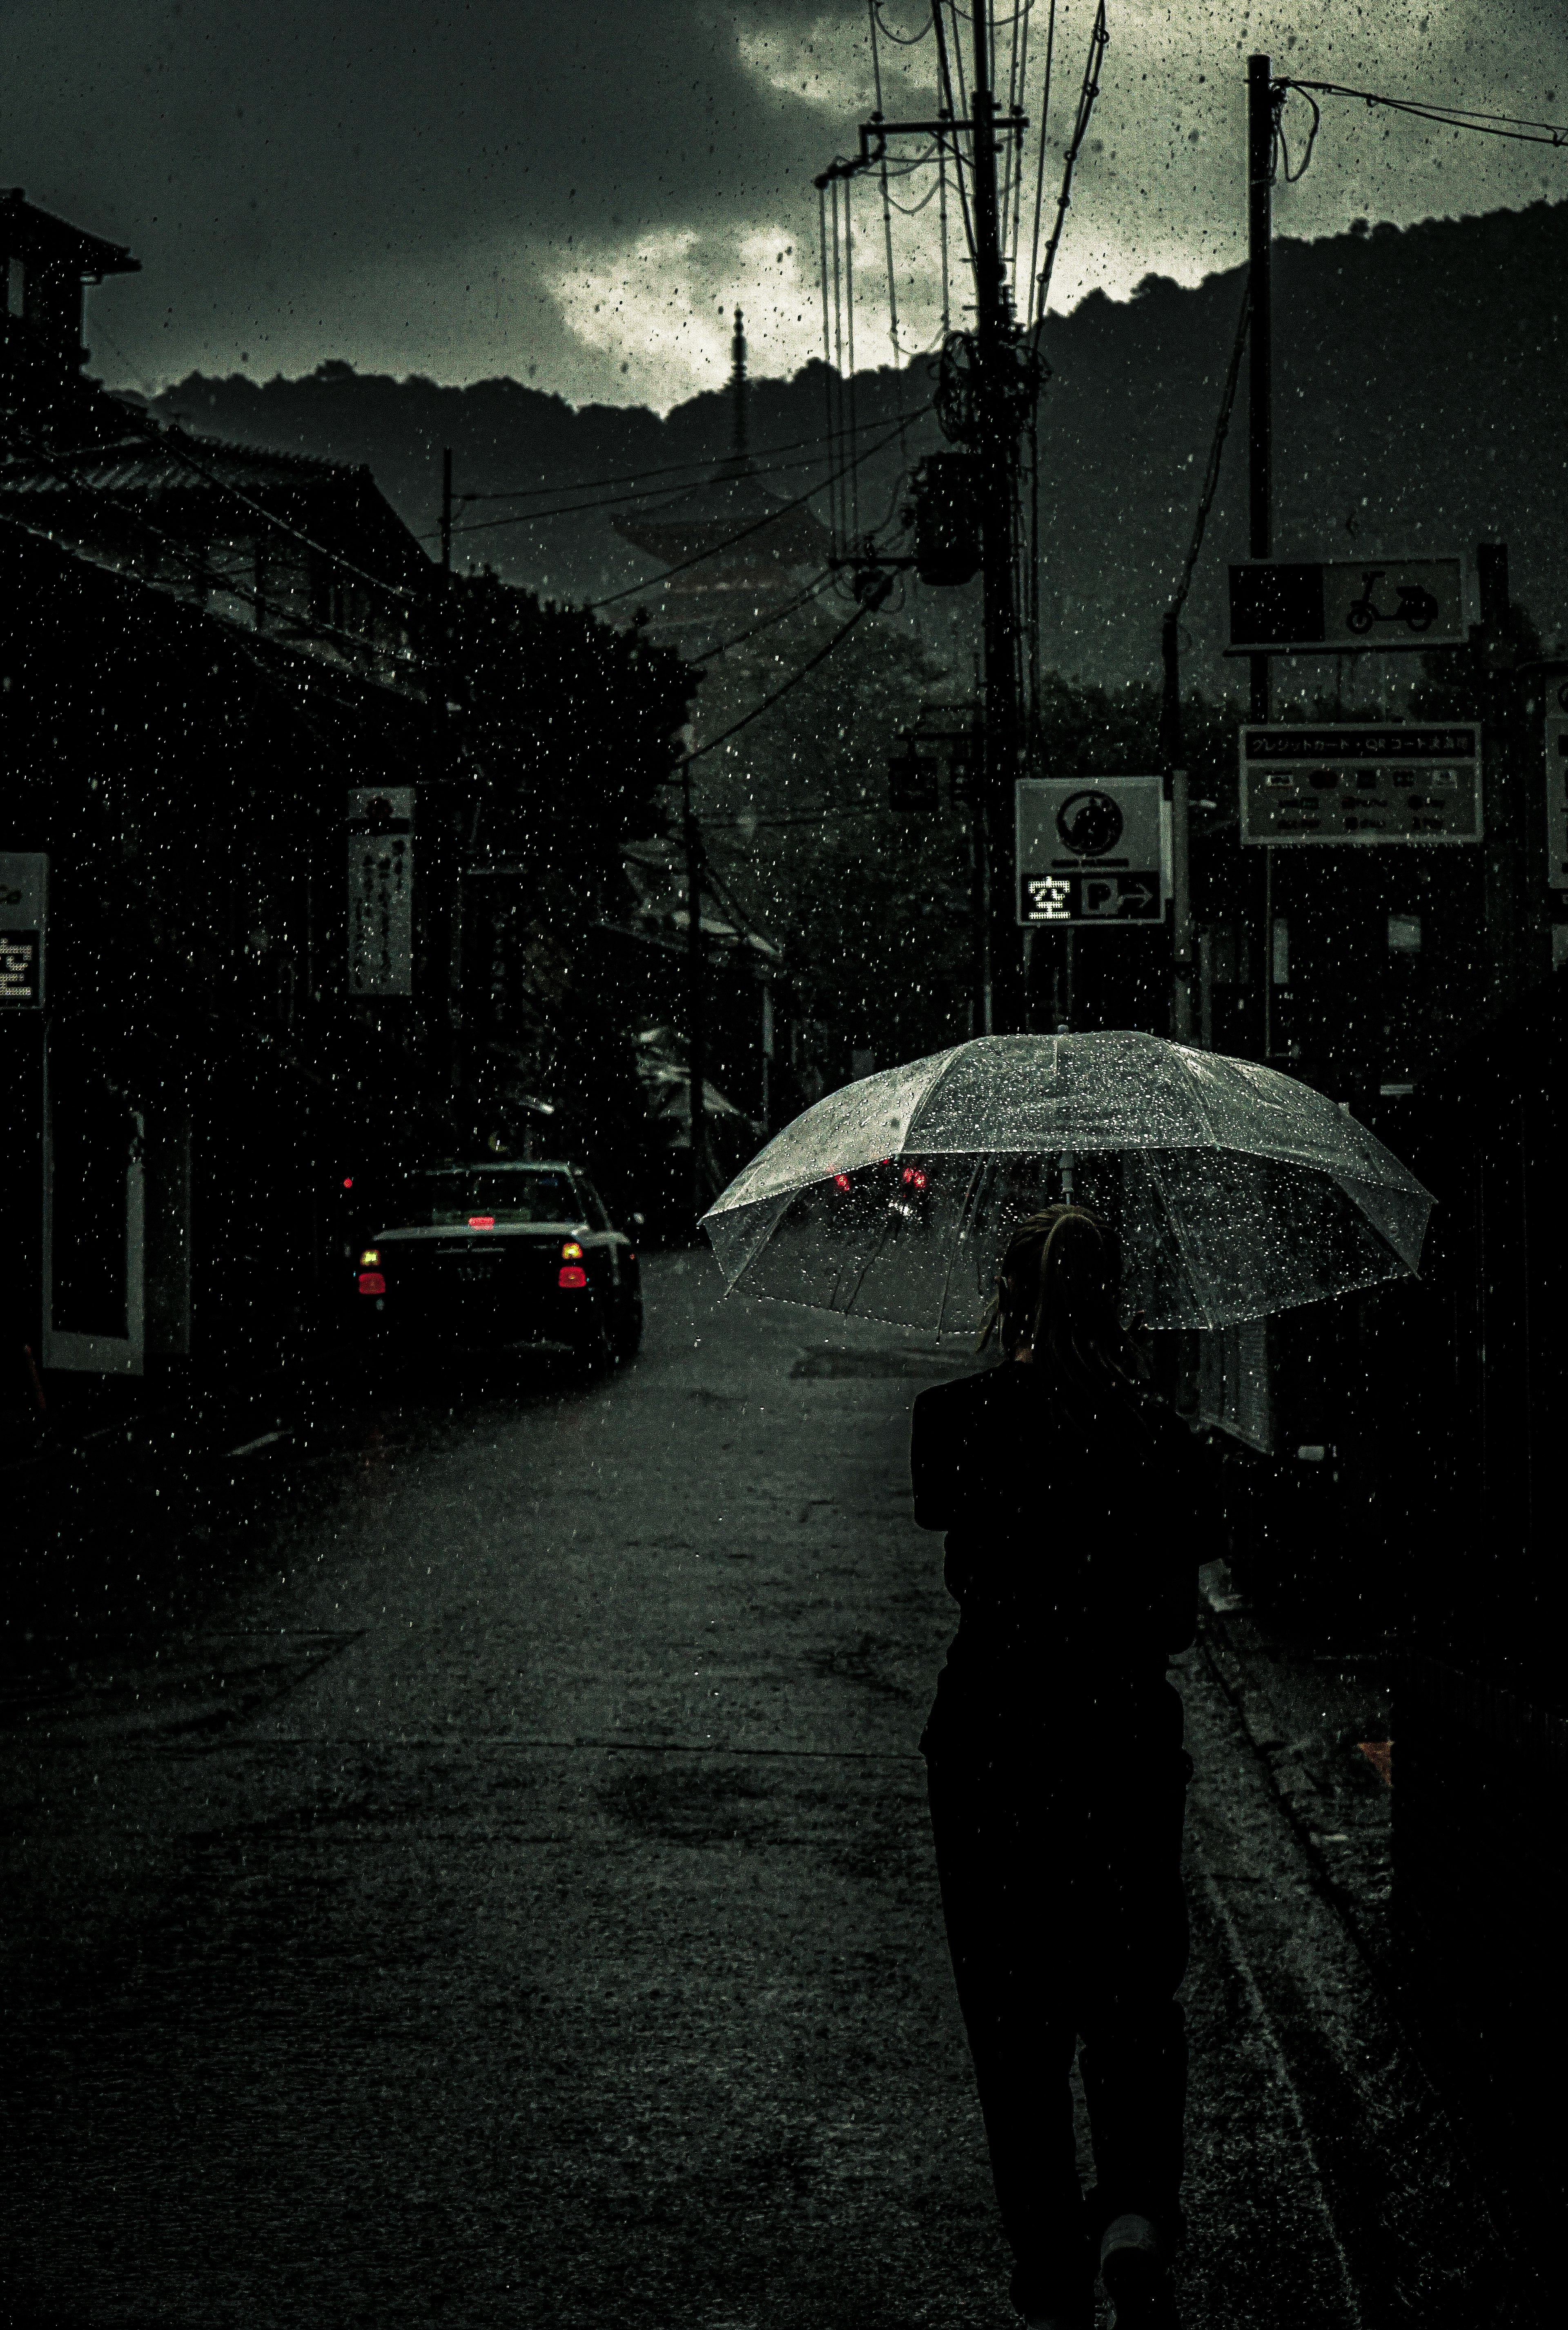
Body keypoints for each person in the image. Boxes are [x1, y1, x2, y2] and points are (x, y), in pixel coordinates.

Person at [911, 1205, 1217, 2330]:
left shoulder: (959, 1423)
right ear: (1116, 1304)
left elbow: (964, 1580)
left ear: (1008, 1300)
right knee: (1132, 1989)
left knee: (1014, 2012)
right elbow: (1177, 1620)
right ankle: (1135, 2208)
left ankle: (1047, 2244)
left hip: (993, 1747)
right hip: (1121, 1743)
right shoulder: (1160, 1437)